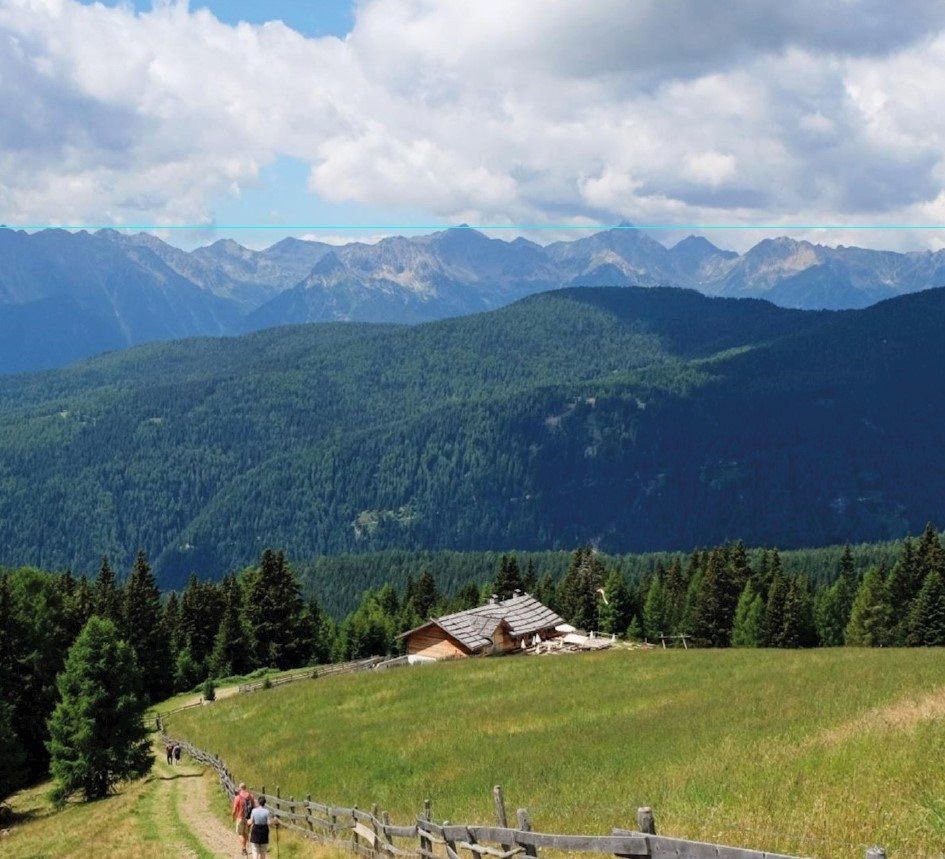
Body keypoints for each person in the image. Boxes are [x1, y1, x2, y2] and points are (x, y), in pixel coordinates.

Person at [231, 782, 255, 856]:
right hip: (248, 818)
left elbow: (234, 810)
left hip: (240, 818)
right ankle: (244, 848)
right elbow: (254, 807)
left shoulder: (238, 797)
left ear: (240, 788)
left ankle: (244, 849)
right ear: (245, 788)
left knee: (240, 833)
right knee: (246, 833)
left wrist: (233, 817)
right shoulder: (251, 796)